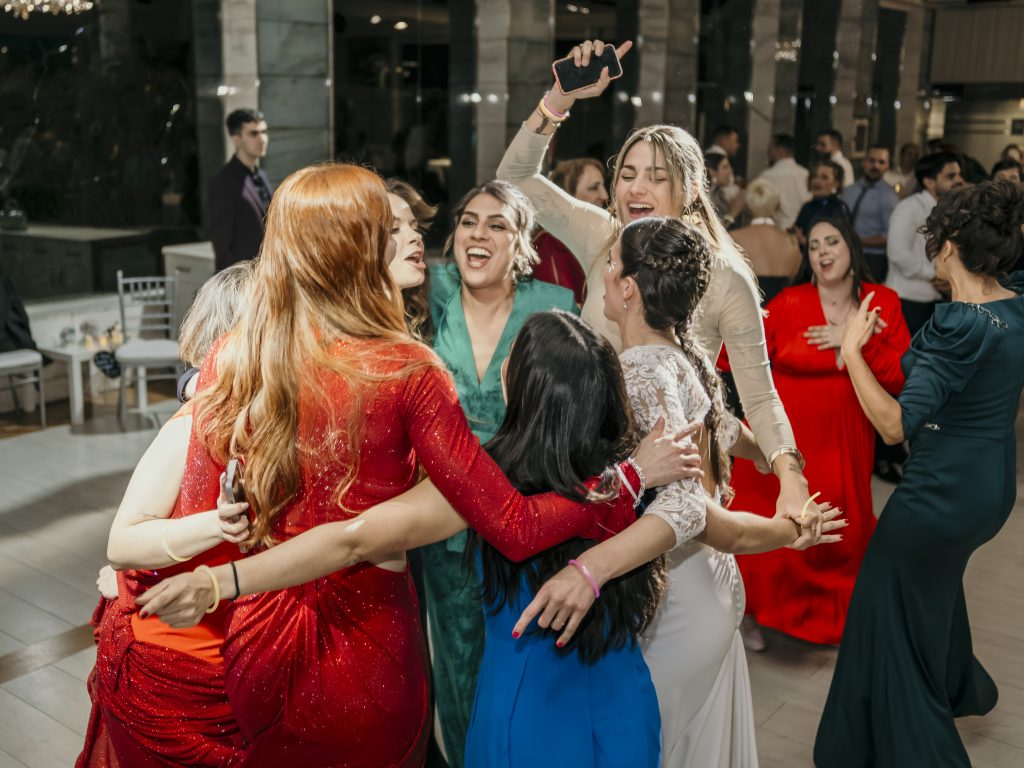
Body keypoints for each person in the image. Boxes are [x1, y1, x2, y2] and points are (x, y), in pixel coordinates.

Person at [174, 164, 696, 767]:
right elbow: (512, 526)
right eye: (386, 229)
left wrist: (226, 560)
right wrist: (628, 478)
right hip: (362, 646)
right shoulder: (403, 370)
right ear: (355, 250)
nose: (409, 238)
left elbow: (205, 506)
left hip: (258, 630)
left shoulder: (236, 352)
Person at [509, 217, 845, 768]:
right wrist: (766, 458)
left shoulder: (639, 371)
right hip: (709, 585)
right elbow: (724, 429)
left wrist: (785, 531)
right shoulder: (680, 354)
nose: (605, 271)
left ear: (628, 289)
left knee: (652, 749)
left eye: (612, 263)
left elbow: (692, 510)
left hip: (676, 601)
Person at [496, 39, 821, 559]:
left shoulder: (725, 278)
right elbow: (512, 181)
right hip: (585, 469)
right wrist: (560, 98)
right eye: (626, 174)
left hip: (671, 487)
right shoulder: (602, 235)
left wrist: (789, 473)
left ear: (691, 189)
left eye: (655, 176)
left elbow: (758, 395)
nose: (635, 188)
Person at [815, 180, 1024, 767]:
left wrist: (851, 350)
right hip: (990, 488)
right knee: (930, 589)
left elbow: (894, 427)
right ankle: (957, 684)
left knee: (884, 613)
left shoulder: (961, 326)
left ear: (950, 245)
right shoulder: (1014, 303)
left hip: (939, 497)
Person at [418, 179, 579, 765]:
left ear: (523, 242)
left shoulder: (554, 307)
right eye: (468, 221)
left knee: (522, 657)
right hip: (439, 516)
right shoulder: (426, 294)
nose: (478, 234)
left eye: (496, 224)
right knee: (456, 658)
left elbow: (572, 416)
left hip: (524, 519)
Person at [79, 262, 256, 767]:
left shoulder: (274, 420)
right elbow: (124, 540)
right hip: (184, 664)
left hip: (245, 656)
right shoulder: (191, 424)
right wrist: (132, 578)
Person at [730, 216, 910, 646]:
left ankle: (838, 617)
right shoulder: (790, 301)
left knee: (840, 529)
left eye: (832, 242)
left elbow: (899, 376)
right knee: (772, 527)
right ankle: (751, 614)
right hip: (789, 435)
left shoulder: (881, 302)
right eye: (814, 246)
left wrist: (853, 342)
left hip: (846, 437)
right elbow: (733, 355)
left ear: (851, 247)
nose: (823, 252)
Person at [885, 150, 965, 335]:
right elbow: (898, 253)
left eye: (960, 174)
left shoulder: (952, 210)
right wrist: (934, 275)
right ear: (929, 182)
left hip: (936, 300)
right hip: (908, 300)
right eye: (951, 176)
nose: (959, 180)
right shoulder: (909, 207)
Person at [533, 157, 608, 304]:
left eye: (603, 186)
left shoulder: (594, 239)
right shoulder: (551, 244)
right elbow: (561, 311)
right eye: (594, 188)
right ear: (566, 197)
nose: (604, 195)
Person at [207, 108, 273, 271]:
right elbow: (222, 245)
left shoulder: (261, 176)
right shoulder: (223, 182)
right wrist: (236, 286)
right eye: (253, 134)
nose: (262, 139)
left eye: (264, 132)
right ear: (236, 139)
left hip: (267, 273)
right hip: (243, 280)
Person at [729, 178, 802, 305]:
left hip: (747, 314)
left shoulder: (734, 238)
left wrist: (731, 215)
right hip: (782, 314)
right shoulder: (792, 242)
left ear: (747, 205)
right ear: (777, 205)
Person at [841, 145, 899, 282]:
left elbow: (890, 237)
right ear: (864, 162)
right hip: (845, 255)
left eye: (881, 162)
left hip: (873, 259)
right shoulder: (849, 191)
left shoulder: (889, 197)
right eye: (871, 160)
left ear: (887, 166)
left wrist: (857, 241)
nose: (875, 166)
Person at [754, 133, 809, 231]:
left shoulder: (767, 176)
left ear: (780, 151)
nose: (768, 152)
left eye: (770, 148)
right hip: (803, 230)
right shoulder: (805, 174)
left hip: (779, 231)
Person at [793, 159, 851, 240]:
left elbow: (837, 242)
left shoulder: (838, 208)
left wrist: (803, 240)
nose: (817, 181)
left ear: (836, 183)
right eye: (814, 176)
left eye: (824, 177)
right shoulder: (807, 207)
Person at [706, 152, 747, 229]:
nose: (730, 171)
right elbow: (716, 231)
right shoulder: (706, 198)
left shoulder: (718, 194)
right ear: (712, 172)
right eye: (725, 167)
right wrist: (733, 212)